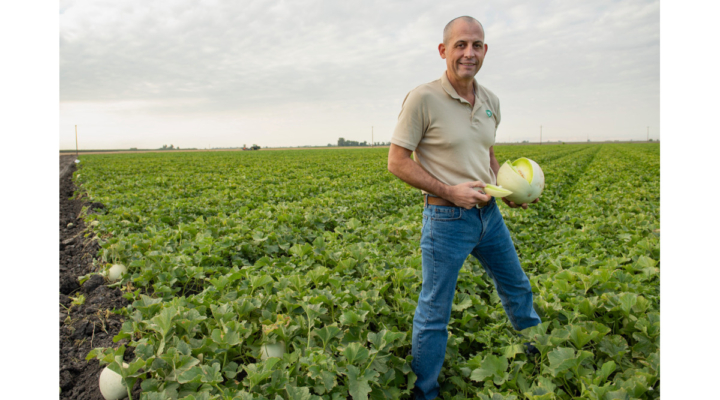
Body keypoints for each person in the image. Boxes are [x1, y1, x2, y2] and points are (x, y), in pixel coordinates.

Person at [387, 16, 542, 400]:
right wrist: (449, 190)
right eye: (460, 45)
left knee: (518, 289)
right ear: (444, 51)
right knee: (434, 312)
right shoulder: (422, 98)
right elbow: (397, 161)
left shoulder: (491, 101)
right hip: (446, 218)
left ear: (485, 51)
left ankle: (545, 362)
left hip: (489, 216)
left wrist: (509, 190)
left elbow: (486, 153)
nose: (468, 53)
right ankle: (425, 393)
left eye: (476, 45)